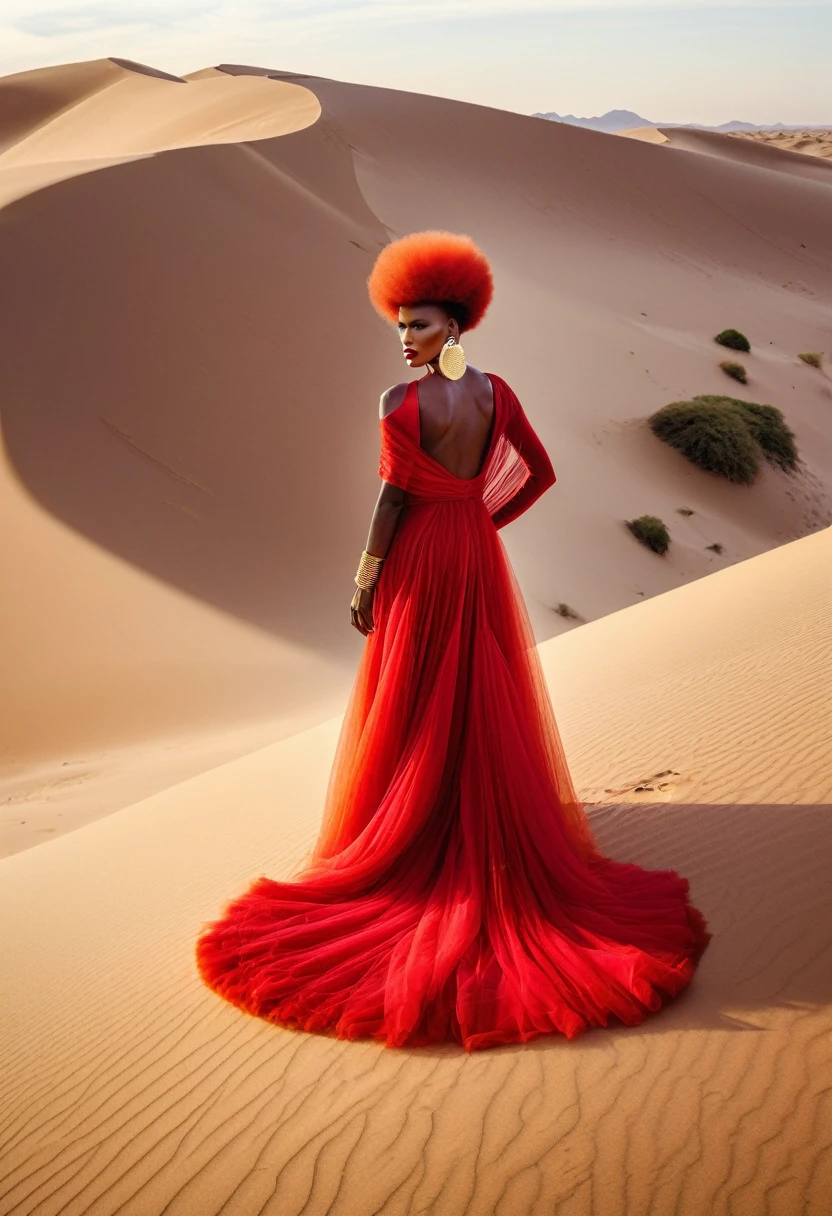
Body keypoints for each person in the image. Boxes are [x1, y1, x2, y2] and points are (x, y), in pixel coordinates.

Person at [195, 230, 711, 1052]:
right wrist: (482, 516)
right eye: (400, 327)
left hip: (422, 556)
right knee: (474, 682)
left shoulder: (398, 406)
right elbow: (536, 473)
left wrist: (367, 578)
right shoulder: (498, 395)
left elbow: (393, 502)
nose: (407, 341)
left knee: (417, 689)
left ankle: (421, 833)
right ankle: (462, 813)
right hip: (474, 549)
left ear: (456, 327)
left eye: (422, 326)